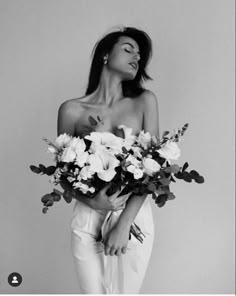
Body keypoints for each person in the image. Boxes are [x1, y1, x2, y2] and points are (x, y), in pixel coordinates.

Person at [57, 26, 160, 294]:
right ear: (105, 54)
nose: (136, 57)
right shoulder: (71, 109)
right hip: (87, 216)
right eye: (128, 49)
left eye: (139, 55)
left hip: (133, 216)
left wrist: (124, 222)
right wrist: (92, 201)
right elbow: (63, 174)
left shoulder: (144, 102)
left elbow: (154, 169)